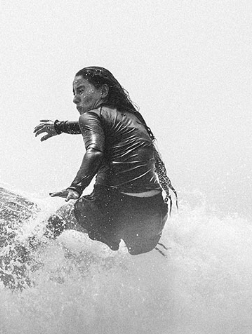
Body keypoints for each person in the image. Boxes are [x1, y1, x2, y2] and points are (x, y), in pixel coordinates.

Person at [33, 67, 177, 255]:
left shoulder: (90, 116)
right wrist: (59, 126)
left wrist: (75, 188)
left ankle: (22, 257)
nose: (75, 98)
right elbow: (92, 127)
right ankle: (131, 239)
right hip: (153, 213)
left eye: (81, 90)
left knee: (59, 219)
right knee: (133, 246)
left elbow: (95, 151)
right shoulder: (133, 118)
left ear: (103, 91)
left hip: (115, 205)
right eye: (74, 93)